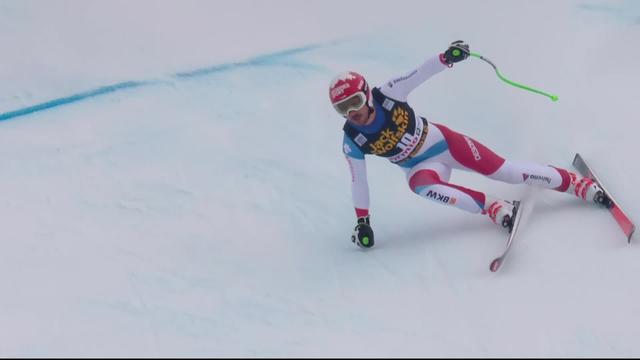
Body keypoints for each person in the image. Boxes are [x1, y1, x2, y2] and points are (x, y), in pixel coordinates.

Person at [329, 40, 610, 248]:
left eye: (354, 102)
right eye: (342, 109)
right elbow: (359, 182)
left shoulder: (388, 93)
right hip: (419, 167)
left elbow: (418, 74)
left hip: (444, 144)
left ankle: (574, 183)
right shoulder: (352, 140)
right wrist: (362, 221)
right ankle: (492, 206)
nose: (352, 113)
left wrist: (446, 57)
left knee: (506, 172)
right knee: (419, 186)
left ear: (366, 94)